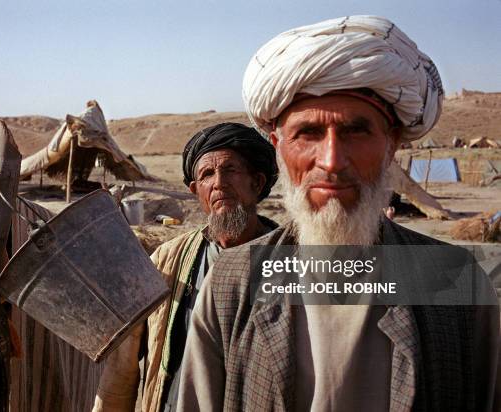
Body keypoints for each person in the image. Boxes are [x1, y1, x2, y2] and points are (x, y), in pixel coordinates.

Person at [177, 16, 500, 411]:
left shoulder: (454, 280)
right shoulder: (232, 284)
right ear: (279, 146)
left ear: (391, 144)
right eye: (308, 133)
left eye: (356, 131)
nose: (331, 161)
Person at [92, 122, 278, 411]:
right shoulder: (166, 261)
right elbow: (122, 368)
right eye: (207, 175)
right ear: (195, 190)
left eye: (230, 170)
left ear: (257, 182)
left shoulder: (294, 260)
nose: (219, 183)